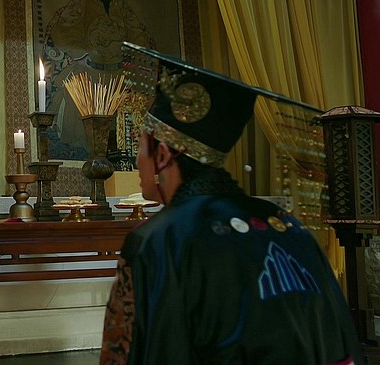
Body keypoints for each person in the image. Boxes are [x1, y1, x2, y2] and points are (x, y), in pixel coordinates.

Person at [100, 43, 362, 364]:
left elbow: (131, 352)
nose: (137, 160)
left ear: (163, 155)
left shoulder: (157, 241)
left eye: (141, 146)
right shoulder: (286, 224)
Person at [44, 0, 154, 155]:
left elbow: (138, 34)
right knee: (74, 96)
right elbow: (62, 29)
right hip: (90, 69)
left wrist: (130, 51)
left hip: (119, 71)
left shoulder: (121, 7)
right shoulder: (81, 3)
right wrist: (83, 51)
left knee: (140, 100)